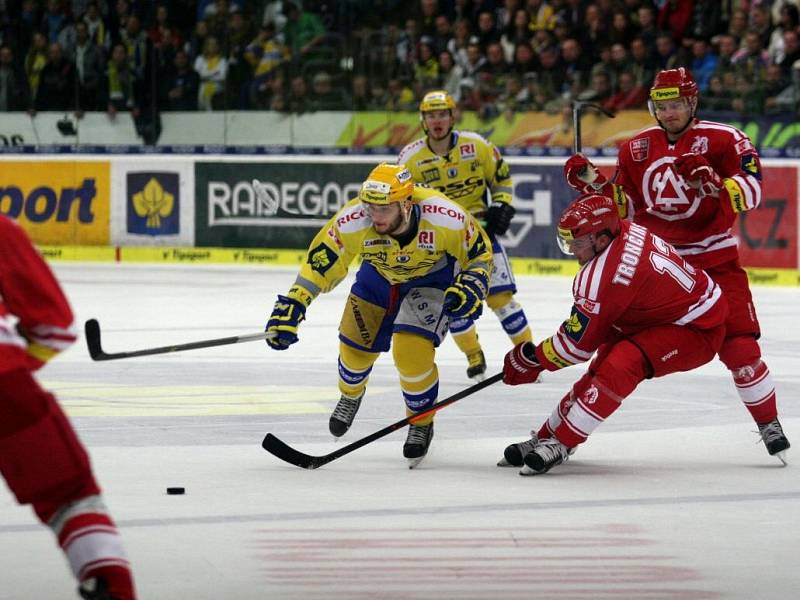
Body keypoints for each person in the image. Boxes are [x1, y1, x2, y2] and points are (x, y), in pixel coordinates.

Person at [562, 67, 790, 462]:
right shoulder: (636, 148)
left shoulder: (726, 139)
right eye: (661, 106)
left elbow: (753, 191)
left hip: (715, 259)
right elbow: (627, 207)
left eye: (676, 105)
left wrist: (717, 184)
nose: (668, 113)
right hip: (659, 267)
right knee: (613, 351)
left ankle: (768, 422)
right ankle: (562, 429)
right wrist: (596, 186)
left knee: (740, 350)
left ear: (692, 103)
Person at [264, 163, 493, 468]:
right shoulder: (355, 219)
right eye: (371, 207)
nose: (376, 215)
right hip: (379, 277)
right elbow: (321, 262)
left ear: (406, 204)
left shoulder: (445, 217)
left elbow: (479, 253)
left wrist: (472, 284)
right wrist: (295, 302)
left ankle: (421, 420)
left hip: (430, 279)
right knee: (354, 352)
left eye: (384, 209)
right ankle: (350, 394)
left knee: (411, 354)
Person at [500, 193, 729, 475]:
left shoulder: (602, 275)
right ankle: (549, 435)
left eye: (578, 242)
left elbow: (575, 348)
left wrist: (532, 360)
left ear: (602, 239)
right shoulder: (623, 229)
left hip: (696, 329)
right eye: (568, 241)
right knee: (601, 368)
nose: (572, 250)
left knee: (623, 363)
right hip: (654, 316)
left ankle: (564, 441)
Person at [0, 215, 136, 599]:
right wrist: (14, 369)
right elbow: (55, 329)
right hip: (4, 383)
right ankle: (108, 581)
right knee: (70, 498)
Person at [398, 90, 533, 382]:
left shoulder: (477, 146)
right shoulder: (409, 158)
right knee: (455, 305)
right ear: (423, 120)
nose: (437, 120)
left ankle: (528, 355)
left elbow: (502, 178)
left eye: (442, 114)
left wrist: (502, 205)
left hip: (480, 234)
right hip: (440, 244)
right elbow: (402, 202)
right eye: (431, 115)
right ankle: (474, 355)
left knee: (502, 298)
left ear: (452, 116)